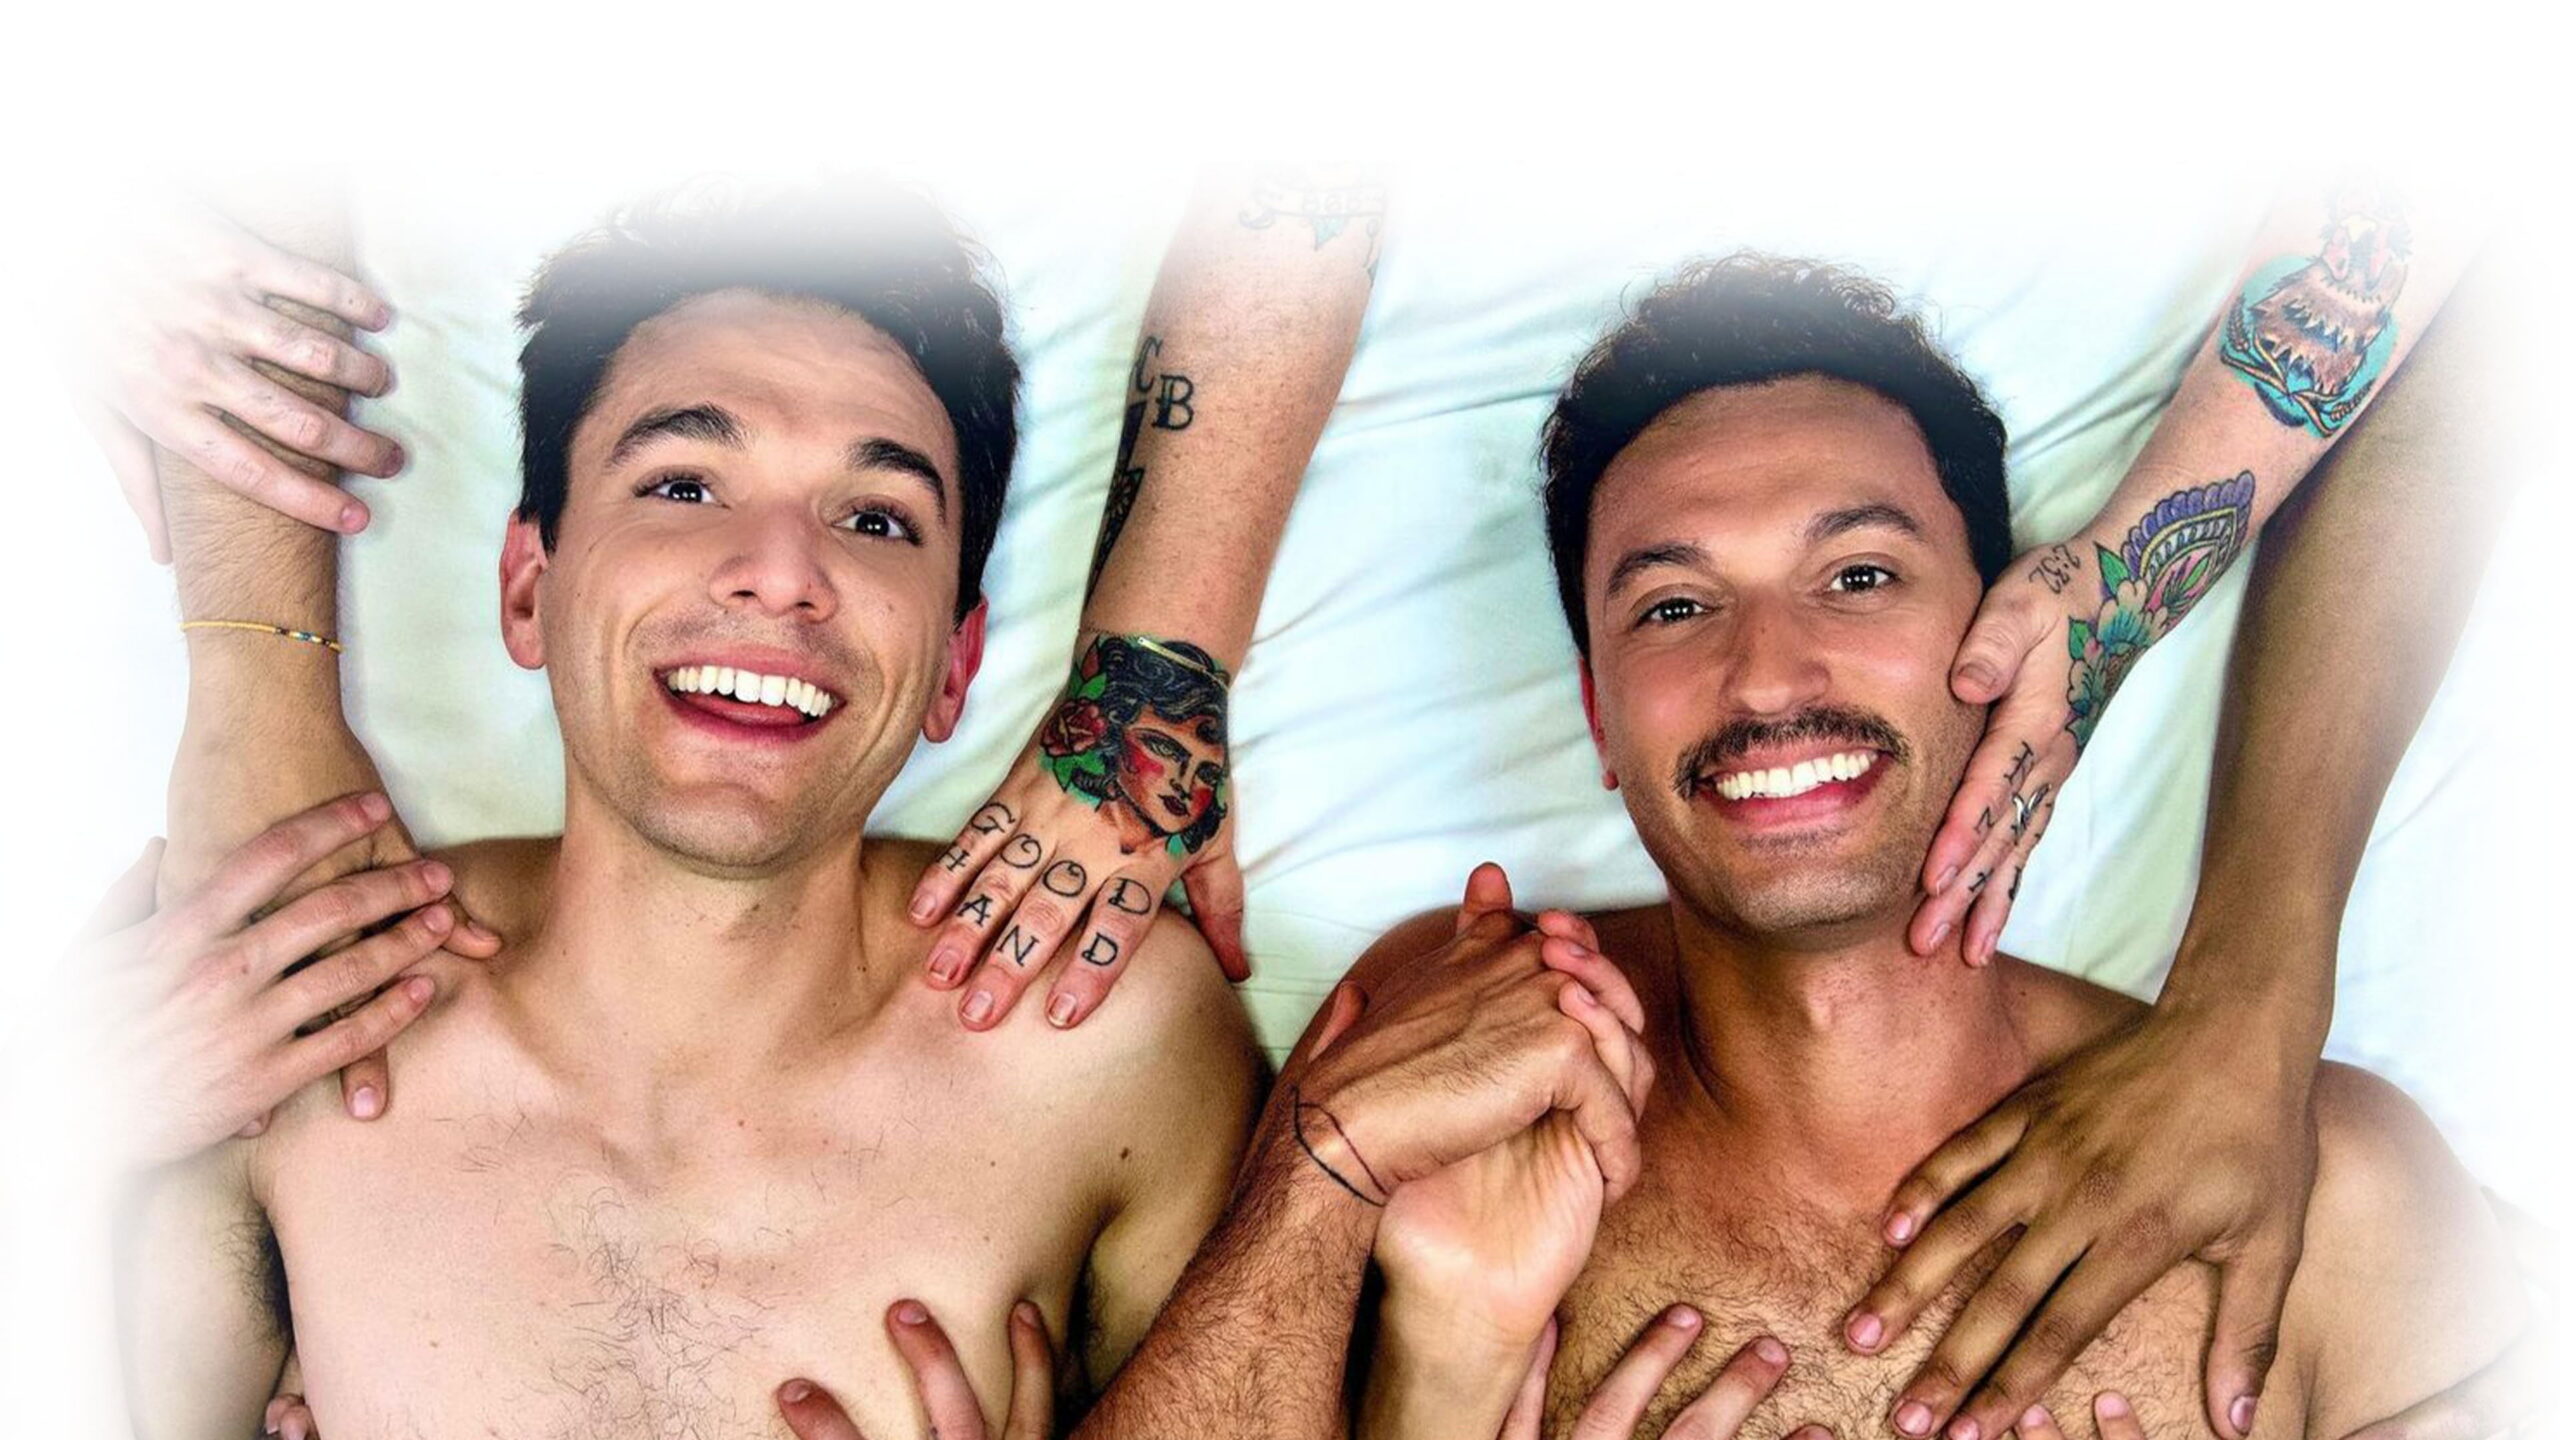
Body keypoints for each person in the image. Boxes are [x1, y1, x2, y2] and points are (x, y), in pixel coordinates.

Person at [1066, 255, 2524, 1440]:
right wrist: (1406, 1332)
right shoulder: (1441, 1092)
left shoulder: (2336, 1200)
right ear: (1598, 716)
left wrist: (2259, 992)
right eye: (1675, 607)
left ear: (2007, 640)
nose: (1767, 677)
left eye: (1860, 575)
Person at [113, 182, 1261, 1440]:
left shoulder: (1111, 1047)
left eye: (874, 518)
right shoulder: (269, 1021)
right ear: (528, 590)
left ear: (954, 667)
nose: (781, 572)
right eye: (683, 486)